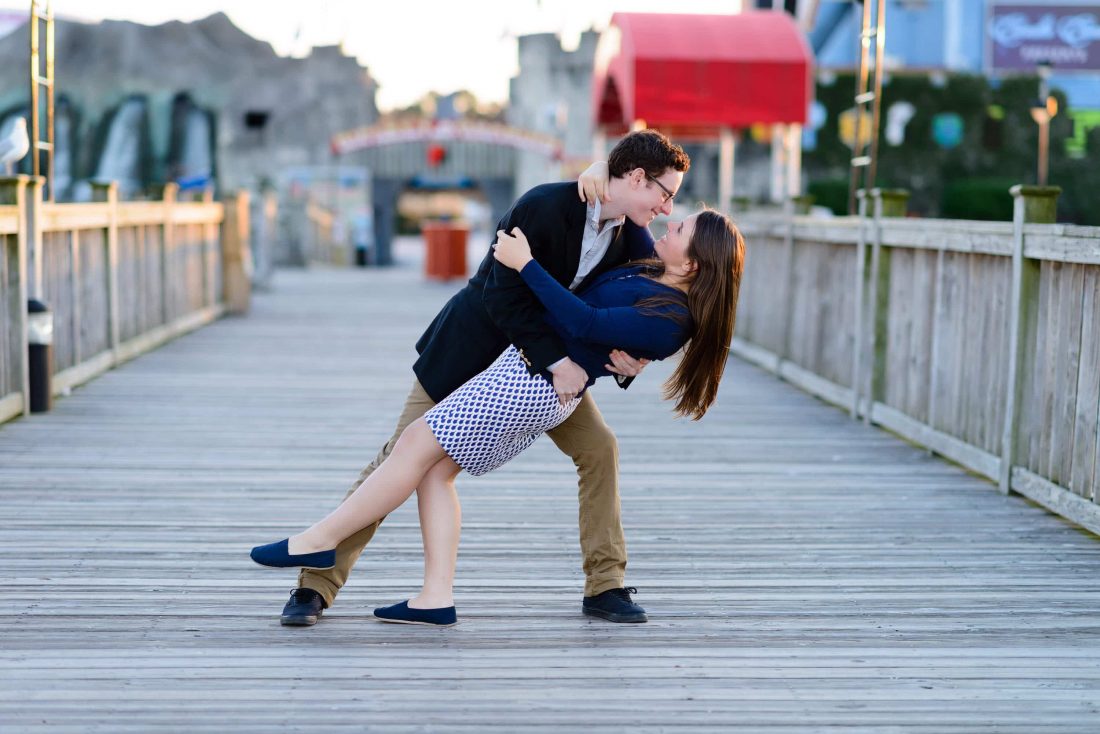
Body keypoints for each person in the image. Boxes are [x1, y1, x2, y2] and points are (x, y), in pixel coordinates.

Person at [252, 206, 746, 626]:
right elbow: (628, 215)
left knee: (421, 455)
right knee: (421, 465)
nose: (668, 215)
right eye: (665, 198)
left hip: (537, 376)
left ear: (697, 266)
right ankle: (350, 584)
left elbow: (593, 321)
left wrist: (526, 264)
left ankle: (604, 584)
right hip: (507, 353)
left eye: (680, 222)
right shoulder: (635, 253)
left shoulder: (667, 305)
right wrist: (602, 176)